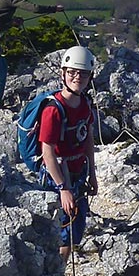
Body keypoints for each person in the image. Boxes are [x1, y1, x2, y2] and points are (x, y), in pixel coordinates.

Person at [39, 45, 98, 259]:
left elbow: (88, 139)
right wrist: (63, 188)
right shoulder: (53, 110)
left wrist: (92, 173)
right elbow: (47, 152)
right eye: (72, 72)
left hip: (78, 173)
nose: (77, 77)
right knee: (62, 233)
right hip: (58, 178)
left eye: (82, 73)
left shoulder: (85, 104)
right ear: (63, 74)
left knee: (73, 231)